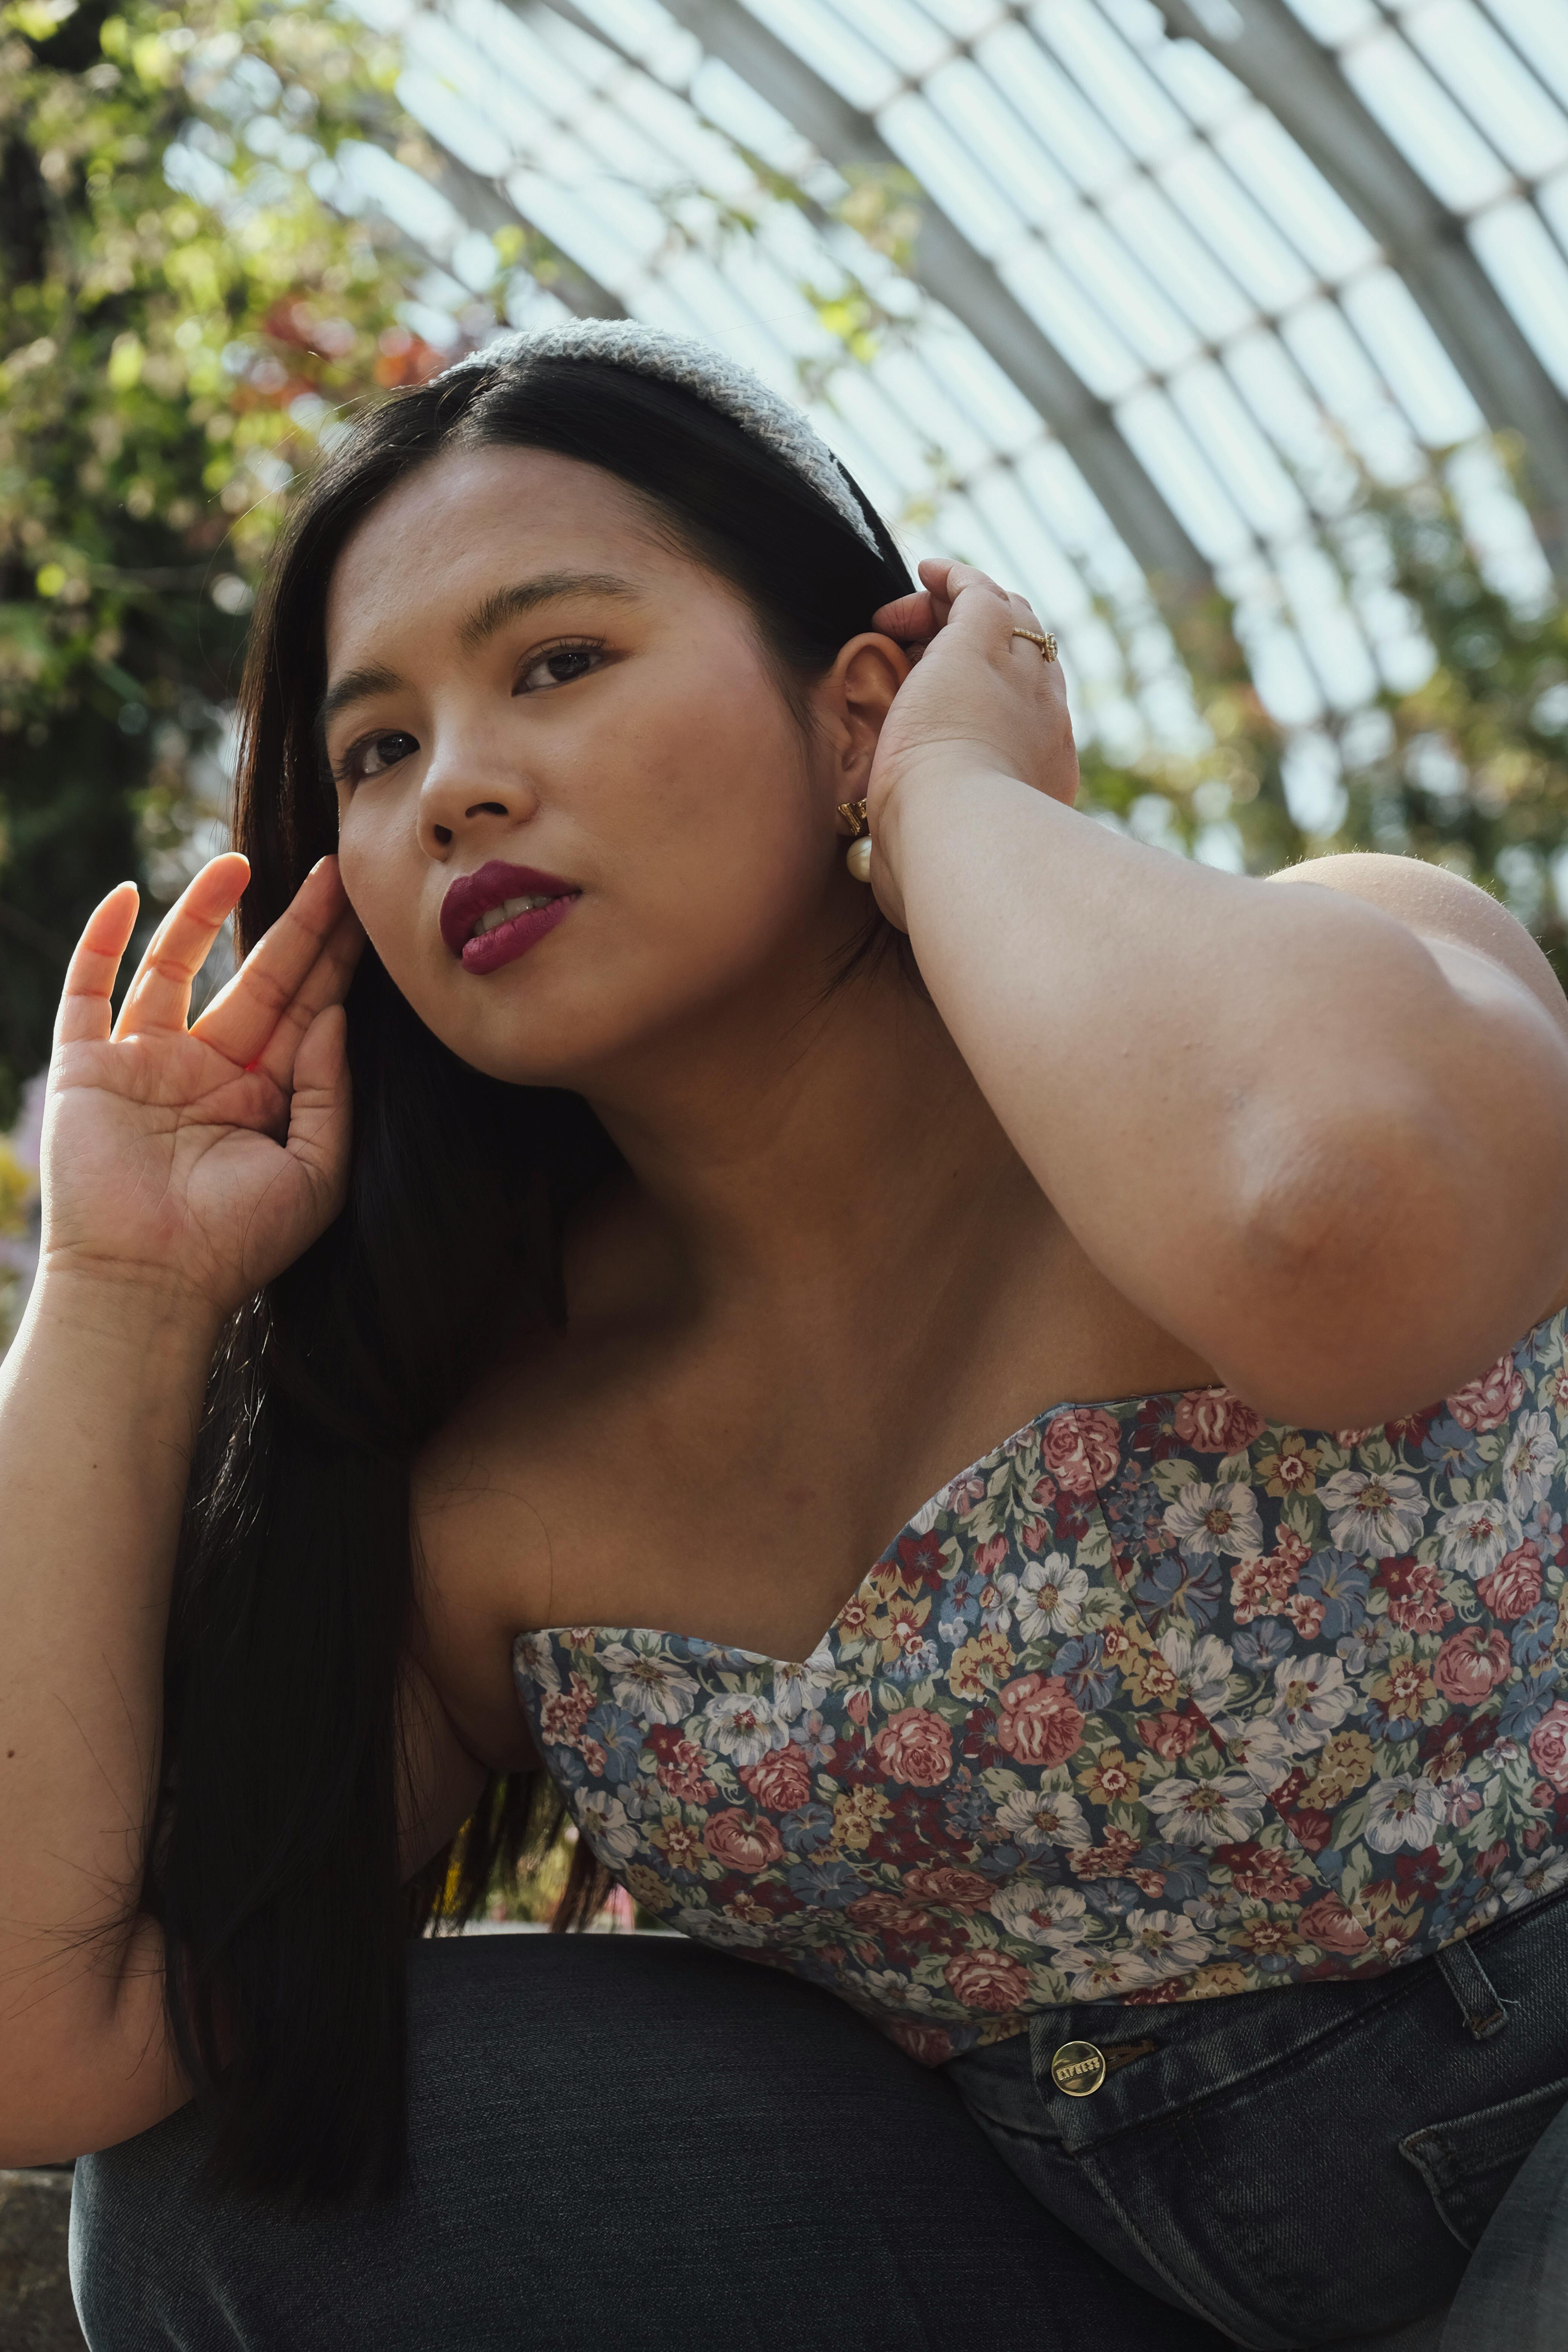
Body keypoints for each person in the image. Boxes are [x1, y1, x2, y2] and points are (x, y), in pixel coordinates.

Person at [3, 324, 1566, 2352]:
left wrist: (950, 795)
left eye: (556, 662)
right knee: (240, 2191)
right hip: (1045, 2264)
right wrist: (120, 1294)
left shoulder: (1323, 979)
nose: (455, 781)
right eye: (377, 751)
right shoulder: (490, 1464)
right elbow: (61, 2033)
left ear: (851, 703)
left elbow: (1325, 1232)